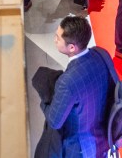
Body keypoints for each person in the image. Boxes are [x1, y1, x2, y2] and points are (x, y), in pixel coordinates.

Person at [41, 16, 111, 157]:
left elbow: (55, 122)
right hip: (104, 137)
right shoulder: (101, 54)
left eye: (58, 38)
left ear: (72, 47)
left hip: (80, 149)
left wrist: (44, 103)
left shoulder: (67, 82)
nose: (55, 40)